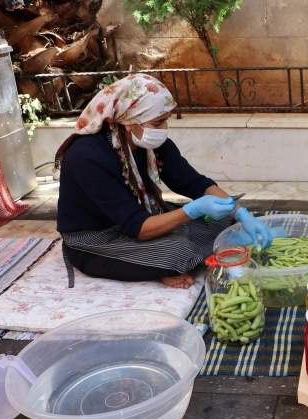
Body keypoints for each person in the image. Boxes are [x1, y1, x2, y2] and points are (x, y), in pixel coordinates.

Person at [55, 74, 272, 289]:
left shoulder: (151, 144)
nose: (164, 128)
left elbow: (195, 183)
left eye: (166, 119)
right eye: (158, 122)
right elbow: (137, 226)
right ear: (130, 121)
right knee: (177, 252)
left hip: (140, 217)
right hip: (96, 240)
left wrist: (241, 213)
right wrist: (192, 211)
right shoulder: (87, 156)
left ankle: (160, 262)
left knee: (222, 221)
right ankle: (160, 265)